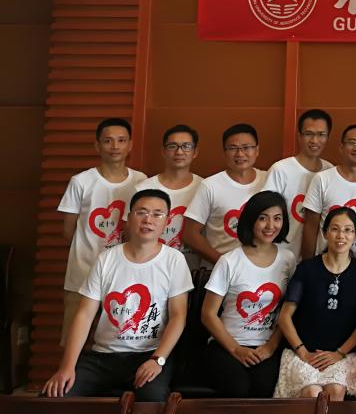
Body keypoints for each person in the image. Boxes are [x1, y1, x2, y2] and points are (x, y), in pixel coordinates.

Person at [43, 189, 192, 401]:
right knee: (55, 396)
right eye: (141, 212)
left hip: (148, 355)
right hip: (103, 357)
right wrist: (66, 367)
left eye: (157, 214)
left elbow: (178, 316)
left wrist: (157, 360)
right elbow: (84, 315)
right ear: (129, 218)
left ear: (167, 222)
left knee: (153, 400)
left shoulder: (174, 260)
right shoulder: (106, 259)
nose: (148, 220)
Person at [58, 117, 147, 344]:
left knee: (118, 341)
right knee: (75, 341)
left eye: (121, 140)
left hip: (124, 275)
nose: (115, 146)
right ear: (97, 145)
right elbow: (68, 231)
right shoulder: (80, 181)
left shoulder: (141, 181)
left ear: (130, 145)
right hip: (82, 274)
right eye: (108, 141)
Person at [201, 190, 297, 397]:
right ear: (250, 220)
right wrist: (236, 349)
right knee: (238, 387)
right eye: (263, 218)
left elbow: (288, 311)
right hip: (226, 345)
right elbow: (208, 314)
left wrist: (271, 347)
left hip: (267, 346)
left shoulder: (288, 259)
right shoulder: (229, 261)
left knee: (265, 387)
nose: (270, 225)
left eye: (277, 218)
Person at [275, 206, 356, 400]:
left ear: (355, 235)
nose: (341, 236)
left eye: (348, 230)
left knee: (335, 391)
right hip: (303, 353)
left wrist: (340, 353)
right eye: (335, 229)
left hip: (342, 355)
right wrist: (302, 351)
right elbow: (284, 317)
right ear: (325, 233)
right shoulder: (307, 269)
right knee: (312, 393)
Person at [184, 123, 267, 266]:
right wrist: (224, 264)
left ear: (257, 150)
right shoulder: (210, 185)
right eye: (232, 148)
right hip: (220, 270)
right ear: (224, 152)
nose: (240, 154)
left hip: (262, 268)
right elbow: (190, 234)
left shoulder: (269, 180)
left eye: (246, 147)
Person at [302, 124, 356, 263]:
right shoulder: (322, 179)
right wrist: (308, 265)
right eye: (352, 142)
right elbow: (310, 226)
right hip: (325, 263)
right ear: (341, 147)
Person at [265, 109, 334, 259]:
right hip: (280, 257)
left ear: (328, 137)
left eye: (321, 134)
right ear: (299, 136)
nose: (314, 140)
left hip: (318, 260)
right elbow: (264, 213)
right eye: (308, 134)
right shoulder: (280, 170)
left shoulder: (330, 171)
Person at [134, 124, 203, 270]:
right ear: (163, 151)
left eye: (186, 146)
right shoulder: (143, 188)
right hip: (150, 268)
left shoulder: (205, 188)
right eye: (172, 146)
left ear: (195, 152)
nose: (179, 151)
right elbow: (132, 232)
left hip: (193, 272)